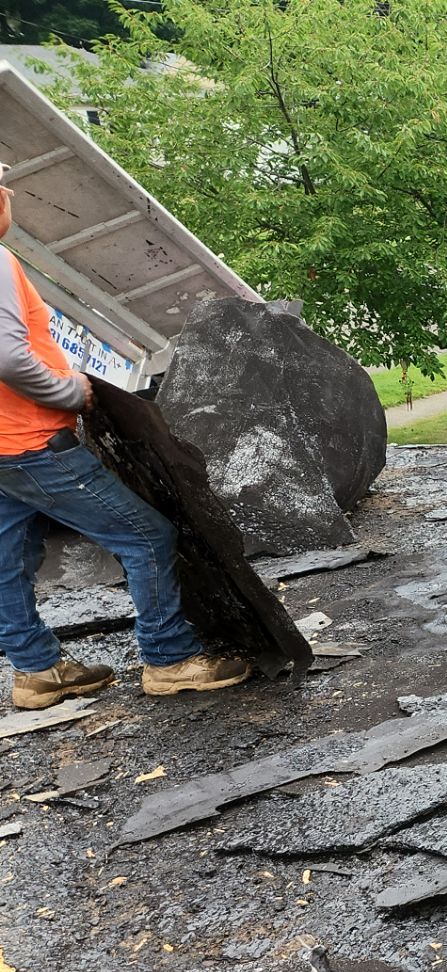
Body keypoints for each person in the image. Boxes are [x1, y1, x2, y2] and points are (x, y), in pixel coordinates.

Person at [0, 167, 249, 709]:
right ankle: (168, 658)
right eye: (1, 184)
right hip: (31, 443)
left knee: (8, 556)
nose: (10, 193)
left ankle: (37, 673)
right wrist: (71, 393)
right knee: (145, 537)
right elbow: (7, 357)